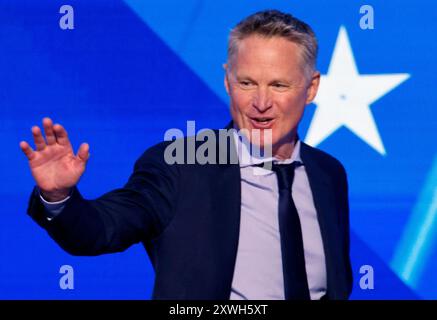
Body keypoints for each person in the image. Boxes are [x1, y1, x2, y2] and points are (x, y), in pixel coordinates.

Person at [20, 10, 352, 300]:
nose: (261, 103)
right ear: (227, 80)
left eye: (278, 85)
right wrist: (59, 196)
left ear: (310, 88)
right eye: (247, 83)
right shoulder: (180, 162)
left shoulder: (327, 173)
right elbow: (101, 230)